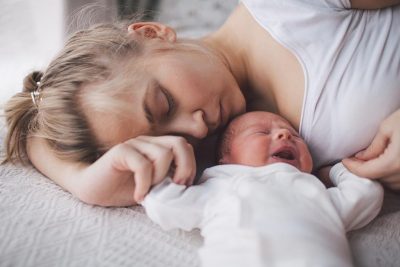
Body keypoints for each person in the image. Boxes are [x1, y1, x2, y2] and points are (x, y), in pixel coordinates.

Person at [2, 0, 400, 206]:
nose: (194, 130)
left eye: (164, 104)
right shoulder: (226, 154)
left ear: (152, 33)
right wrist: (85, 184)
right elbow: (31, 133)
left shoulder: (292, 9)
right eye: (163, 140)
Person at [142, 111, 384, 267]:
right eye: (261, 132)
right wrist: (166, 168)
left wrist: (335, 169)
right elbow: (164, 203)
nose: (285, 133)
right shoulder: (220, 186)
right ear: (225, 158)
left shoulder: (315, 192)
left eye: (297, 136)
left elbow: (366, 194)